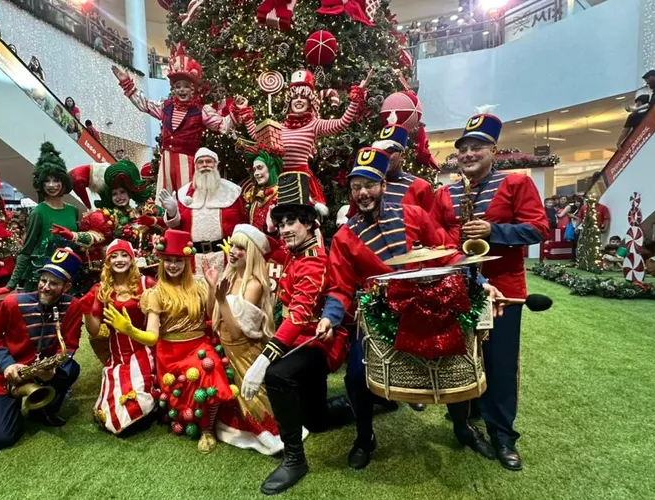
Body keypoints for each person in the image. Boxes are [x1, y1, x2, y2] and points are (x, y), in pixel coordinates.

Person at [315, 148, 495, 471]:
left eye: (369, 184)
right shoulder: (343, 237)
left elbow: (446, 251)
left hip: (425, 306)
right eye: (356, 186)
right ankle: (364, 437)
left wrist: (479, 280)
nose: (363, 193)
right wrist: (330, 316)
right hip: (378, 312)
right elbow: (340, 287)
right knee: (356, 374)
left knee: (453, 360)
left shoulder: (413, 215)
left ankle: (462, 427)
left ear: (383, 185)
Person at [431, 113, 551, 471]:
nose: (468, 154)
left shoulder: (516, 184)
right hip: (457, 287)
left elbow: (539, 228)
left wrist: (494, 231)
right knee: (459, 359)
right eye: (463, 149)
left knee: (498, 362)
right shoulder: (445, 193)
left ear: (492, 150)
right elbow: (437, 237)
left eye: (476, 147)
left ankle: (502, 433)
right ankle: (463, 421)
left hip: (503, 291)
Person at [239, 172, 350, 494]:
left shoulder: (313, 261)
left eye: (293, 222)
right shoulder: (292, 254)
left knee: (276, 375)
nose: (285, 228)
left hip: (321, 343)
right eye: (282, 221)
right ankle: (364, 402)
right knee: (315, 420)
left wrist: (263, 360)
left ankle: (294, 459)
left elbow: (300, 315)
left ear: (310, 224)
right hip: (301, 341)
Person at [102, 229, 233, 453]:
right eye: (169, 260)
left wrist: (212, 287)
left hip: (199, 345)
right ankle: (195, 418)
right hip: (170, 352)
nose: (173, 265)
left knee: (210, 368)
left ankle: (207, 429)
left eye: (178, 261)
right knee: (186, 400)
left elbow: (209, 315)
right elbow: (153, 337)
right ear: (162, 262)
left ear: (186, 262)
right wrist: (130, 330)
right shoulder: (155, 293)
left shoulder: (198, 287)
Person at [0, 249, 85, 450]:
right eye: (43, 280)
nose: (45, 287)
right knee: (2, 439)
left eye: (54, 283)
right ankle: (6, 403)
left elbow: (70, 345)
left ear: (67, 286)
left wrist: (53, 369)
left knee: (70, 368)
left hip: (40, 371)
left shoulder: (73, 306)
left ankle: (42, 410)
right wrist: (7, 365)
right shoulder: (12, 303)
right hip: (5, 374)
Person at [235, 69, 368, 213]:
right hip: (278, 181)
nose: (298, 100)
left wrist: (355, 99)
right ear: (289, 101)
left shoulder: (314, 124)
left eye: (303, 97)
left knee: (302, 220)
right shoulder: (279, 127)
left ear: (309, 101)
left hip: (301, 180)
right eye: (295, 97)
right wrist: (245, 112)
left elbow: (342, 123)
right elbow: (257, 136)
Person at [202, 224, 285, 455]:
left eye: (241, 248)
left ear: (252, 254)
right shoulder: (228, 276)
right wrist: (212, 289)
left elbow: (239, 333)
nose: (233, 251)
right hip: (225, 351)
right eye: (233, 245)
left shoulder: (254, 285)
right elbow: (212, 315)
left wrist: (221, 300)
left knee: (253, 400)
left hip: (245, 353)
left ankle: (267, 435)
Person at [112, 43, 237, 193]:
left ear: (192, 89)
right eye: (178, 86)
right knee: (165, 200)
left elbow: (222, 125)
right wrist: (127, 83)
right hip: (166, 164)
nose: (181, 90)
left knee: (186, 200)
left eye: (185, 86)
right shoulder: (165, 107)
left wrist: (237, 112)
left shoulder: (202, 111)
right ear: (173, 89)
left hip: (188, 164)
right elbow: (144, 105)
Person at [79, 239, 156, 435]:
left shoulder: (146, 283)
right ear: (107, 261)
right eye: (114, 256)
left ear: (132, 259)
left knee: (140, 399)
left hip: (144, 352)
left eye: (124, 255)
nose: (119, 260)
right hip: (118, 357)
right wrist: (87, 311)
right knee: (111, 407)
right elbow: (94, 331)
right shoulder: (102, 289)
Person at [0, 143, 85, 295]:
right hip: (45, 278)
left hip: (70, 274)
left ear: (63, 182)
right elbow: (27, 250)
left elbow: (78, 242)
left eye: (56, 180)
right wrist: (11, 284)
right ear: (40, 184)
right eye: (46, 181)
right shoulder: (38, 212)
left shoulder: (73, 210)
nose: (52, 185)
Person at [158, 148, 247, 277]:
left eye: (209, 161)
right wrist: (172, 212)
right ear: (195, 166)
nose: (205, 165)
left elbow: (244, 222)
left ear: (216, 164)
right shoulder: (184, 193)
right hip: (194, 258)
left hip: (227, 258)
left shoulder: (232, 192)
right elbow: (177, 228)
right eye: (200, 162)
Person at [241, 147, 281, 234]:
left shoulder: (283, 194)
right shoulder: (254, 197)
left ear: (271, 168)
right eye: (254, 169)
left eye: (260, 167)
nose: (256, 173)